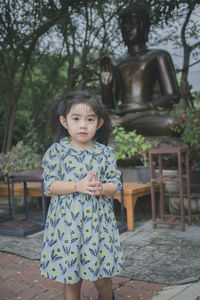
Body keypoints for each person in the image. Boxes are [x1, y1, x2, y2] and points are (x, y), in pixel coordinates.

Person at [40, 90, 124, 300]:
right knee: (72, 278)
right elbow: (50, 185)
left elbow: (115, 184)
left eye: (90, 119)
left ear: (99, 123)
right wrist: (77, 185)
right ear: (64, 121)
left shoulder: (104, 153)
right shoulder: (57, 152)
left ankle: (107, 296)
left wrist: (101, 188)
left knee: (102, 277)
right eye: (76, 118)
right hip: (67, 226)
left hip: (98, 226)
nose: (83, 125)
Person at [100, 2, 180, 136]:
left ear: (145, 27)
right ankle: (122, 124)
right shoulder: (117, 63)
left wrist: (143, 107)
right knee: (97, 125)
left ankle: (122, 125)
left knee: (172, 123)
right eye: (124, 25)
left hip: (147, 115)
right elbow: (109, 107)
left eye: (133, 23)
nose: (127, 28)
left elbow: (173, 95)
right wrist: (106, 86)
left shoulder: (158, 56)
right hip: (122, 116)